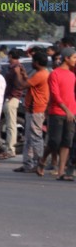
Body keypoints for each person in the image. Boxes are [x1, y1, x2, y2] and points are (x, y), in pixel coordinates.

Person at [16, 47, 50, 174]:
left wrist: (18, 74)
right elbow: (29, 84)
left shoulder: (41, 75)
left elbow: (22, 85)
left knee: (35, 137)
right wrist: (25, 75)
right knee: (30, 137)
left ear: (37, 62)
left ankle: (38, 163)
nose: (32, 63)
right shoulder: (42, 73)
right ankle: (28, 164)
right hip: (34, 108)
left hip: (36, 109)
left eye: (33, 61)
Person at [45, 47, 76, 180]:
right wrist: (66, 110)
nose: (75, 60)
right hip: (57, 112)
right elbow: (55, 95)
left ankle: (61, 171)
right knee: (54, 141)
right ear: (66, 58)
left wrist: (72, 111)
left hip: (71, 113)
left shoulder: (72, 75)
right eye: (74, 57)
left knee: (66, 142)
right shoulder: (55, 74)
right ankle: (42, 160)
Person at [1, 49, 29, 158]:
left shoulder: (16, 68)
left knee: (10, 125)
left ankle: (10, 149)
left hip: (13, 98)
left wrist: (12, 95)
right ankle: (9, 148)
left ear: (11, 56)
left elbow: (19, 83)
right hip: (13, 97)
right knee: (10, 125)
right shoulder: (18, 67)